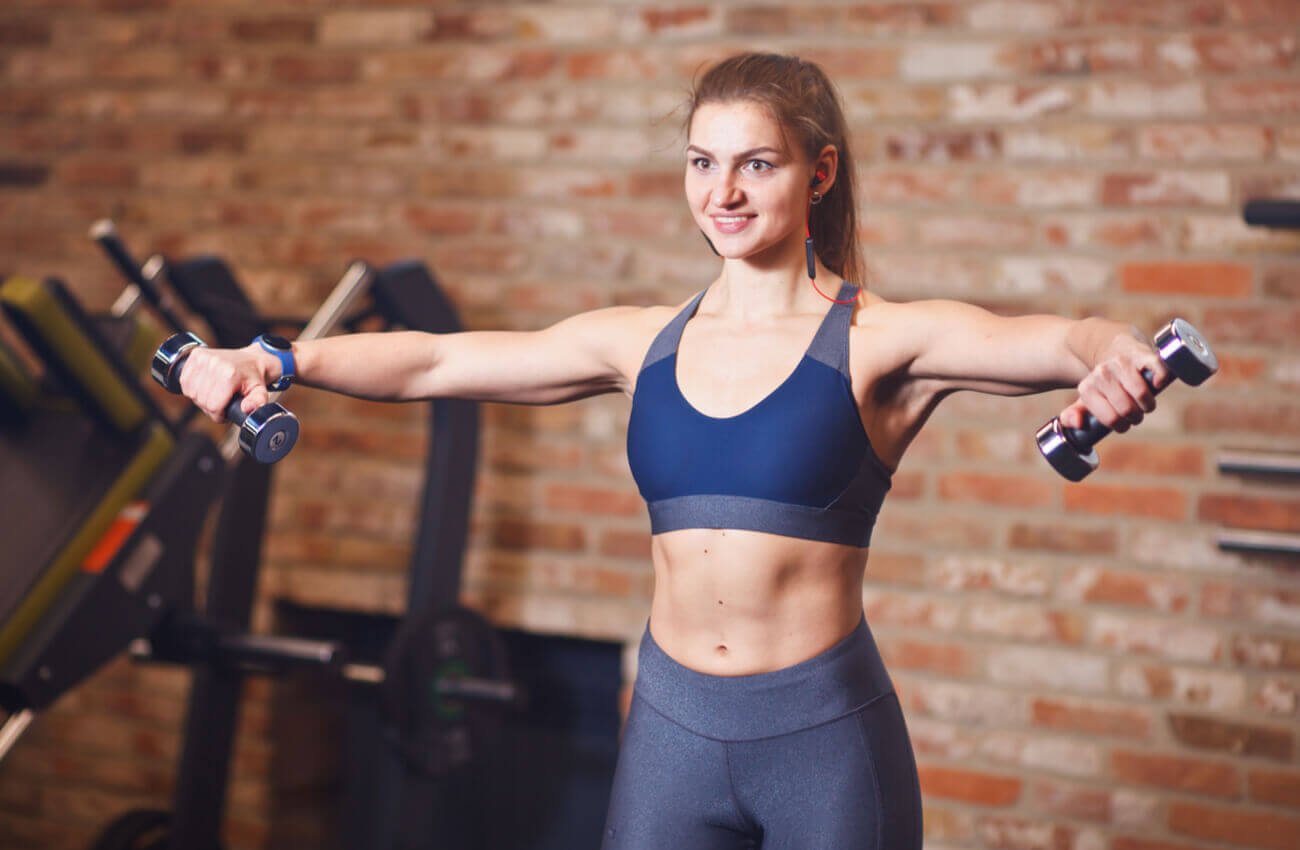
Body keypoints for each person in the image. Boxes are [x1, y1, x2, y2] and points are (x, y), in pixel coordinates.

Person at [178, 53, 1167, 850]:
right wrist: (278, 357)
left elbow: (1058, 338)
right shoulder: (642, 341)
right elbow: (438, 360)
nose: (722, 191)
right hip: (671, 734)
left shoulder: (879, 341)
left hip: (822, 743)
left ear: (819, 174)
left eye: (757, 164)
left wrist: (1113, 354)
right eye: (701, 162)